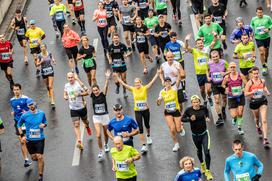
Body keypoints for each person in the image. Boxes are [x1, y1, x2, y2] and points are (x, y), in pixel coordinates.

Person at [116, 69, 160, 153]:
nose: (137, 84)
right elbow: (124, 84)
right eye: (135, 83)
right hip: (137, 111)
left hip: (145, 110)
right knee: (140, 127)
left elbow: (152, 82)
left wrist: (157, 74)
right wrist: (118, 78)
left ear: (140, 83)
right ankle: (143, 145)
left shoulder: (144, 88)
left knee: (147, 125)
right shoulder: (133, 89)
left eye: (138, 83)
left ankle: (148, 136)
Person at [182, 95, 213, 180]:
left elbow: (206, 112)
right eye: (194, 102)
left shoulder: (203, 108)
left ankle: (208, 171)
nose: (196, 104)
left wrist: (206, 117)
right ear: (192, 103)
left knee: (207, 152)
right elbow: (182, 119)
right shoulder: (188, 110)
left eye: (197, 102)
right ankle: (202, 165)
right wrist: (189, 119)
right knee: (199, 150)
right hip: (195, 135)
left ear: (199, 102)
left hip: (204, 134)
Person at [17, 98, 48, 181]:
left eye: (32, 104)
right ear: (28, 106)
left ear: (35, 104)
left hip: (40, 139)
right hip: (29, 140)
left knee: (40, 156)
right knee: (34, 158)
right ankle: (39, 162)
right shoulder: (25, 115)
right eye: (29, 105)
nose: (31, 106)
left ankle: (40, 175)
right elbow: (19, 125)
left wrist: (44, 125)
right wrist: (22, 136)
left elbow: (45, 122)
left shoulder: (41, 113)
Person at [185, 34, 216, 106]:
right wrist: (186, 40)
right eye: (198, 44)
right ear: (196, 45)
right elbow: (186, 47)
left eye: (201, 43)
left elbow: (213, 42)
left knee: (209, 89)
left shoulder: (207, 49)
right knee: (202, 90)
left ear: (203, 43)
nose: (200, 44)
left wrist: (215, 36)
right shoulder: (194, 51)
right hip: (199, 73)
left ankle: (209, 96)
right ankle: (204, 99)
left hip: (207, 72)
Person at [157, 75, 186, 152]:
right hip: (168, 112)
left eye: (169, 82)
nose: (167, 83)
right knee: (172, 129)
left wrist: (178, 73)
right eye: (166, 82)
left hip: (176, 111)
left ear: (170, 83)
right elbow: (159, 103)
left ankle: (181, 128)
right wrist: (158, 101)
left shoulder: (174, 89)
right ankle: (176, 144)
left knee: (178, 129)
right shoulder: (162, 92)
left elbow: (179, 79)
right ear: (164, 83)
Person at [64, 72, 92, 150]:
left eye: (72, 77)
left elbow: (87, 92)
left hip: (81, 107)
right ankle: (79, 141)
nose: (70, 79)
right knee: (76, 124)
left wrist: (79, 94)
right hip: (73, 109)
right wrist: (65, 96)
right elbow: (65, 93)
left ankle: (87, 126)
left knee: (86, 121)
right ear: (67, 78)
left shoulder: (78, 84)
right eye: (69, 78)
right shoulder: (66, 86)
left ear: (74, 77)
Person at [244, 67, 270, 146]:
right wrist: (252, 91)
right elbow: (245, 93)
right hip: (254, 102)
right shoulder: (249, 83)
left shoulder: (262, 80)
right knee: (257, 118)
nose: (256, 75)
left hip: (262, 101)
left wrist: (267, 91)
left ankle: (265, 139)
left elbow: (264, 86)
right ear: (251, 74)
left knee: (264, 120)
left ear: (259, 73)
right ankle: (257, 126)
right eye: (254, 74)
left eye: (257, 73)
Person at [222, 62, 247, 135]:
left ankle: (239, 128)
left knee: (240, 112)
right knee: (234, 115)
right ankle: (234, 118)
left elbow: (246, 84)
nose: (232, 68)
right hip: (231, 97)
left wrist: (243, 88)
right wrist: (226, 88)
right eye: (231, 67)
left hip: (240, 96)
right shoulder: (227, 77)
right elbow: (223, 84)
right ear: (229, 68)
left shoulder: (240, 75)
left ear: (236, 67)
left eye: (234, 67)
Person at [90, 70, 111, 159]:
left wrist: (107, 78)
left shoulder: (103, 95)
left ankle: (106, 144)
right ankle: (100, 150)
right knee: (98, 135)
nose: (95, 92)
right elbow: (93, 80)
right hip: (97, 117)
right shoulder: (92, 96)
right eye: (94, 90)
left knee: (106, 134)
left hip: (105, 116)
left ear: (99, 90)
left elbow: (106, 86)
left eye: (96, 90)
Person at [10, 83, 31, 167]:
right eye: (14, 90)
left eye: (17, 89)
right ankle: (26, 159)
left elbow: (33, 108)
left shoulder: (26, 99)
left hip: (27, 122)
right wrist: (13, 112)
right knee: (22, 141)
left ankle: (34, 152)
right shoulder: (12, 100)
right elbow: (14, 108)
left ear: (20, 90)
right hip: (18, 122)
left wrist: (28, 112)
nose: (16, 91)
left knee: (29, 139)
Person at [207, 49, 228, 126]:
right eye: (213, 57)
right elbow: (207, 70)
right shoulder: (209, 63)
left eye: (216, 56)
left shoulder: (224, 62)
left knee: (224, 99)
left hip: (223, 83)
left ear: (219, 56)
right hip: (214, 83)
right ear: (211, 57)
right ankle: (220, 117)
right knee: (217, 100)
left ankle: (223, 110)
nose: (215, 58)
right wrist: (208, 76)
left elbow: (230, 70)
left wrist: (225, 73)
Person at [250, 6, 272, 75]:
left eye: (261, 12)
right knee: (262, 52)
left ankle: (265, 61)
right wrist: (252, 34)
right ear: (256, 13)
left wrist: (268, 29)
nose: (260, 14)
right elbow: (251, 26)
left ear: (263, 12)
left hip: (266, 37)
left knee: (266, 52)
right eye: (258, 13)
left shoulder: (267, 18)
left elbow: (271, 24)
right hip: (258, 38)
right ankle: (264, 66)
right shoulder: (254, 19)